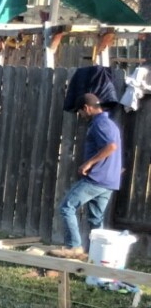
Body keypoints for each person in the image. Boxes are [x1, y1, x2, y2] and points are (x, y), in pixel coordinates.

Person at [51, 93, 122, 259]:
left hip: (97, 178)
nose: (80, 116)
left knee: (67, 206)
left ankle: (74, 247)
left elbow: (111, 147)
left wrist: (89, 163)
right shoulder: (109, 123)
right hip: (109, 181)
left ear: (87, 108)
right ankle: (97, 254)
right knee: (96, 219)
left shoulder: (100, 123)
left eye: (80, 112)